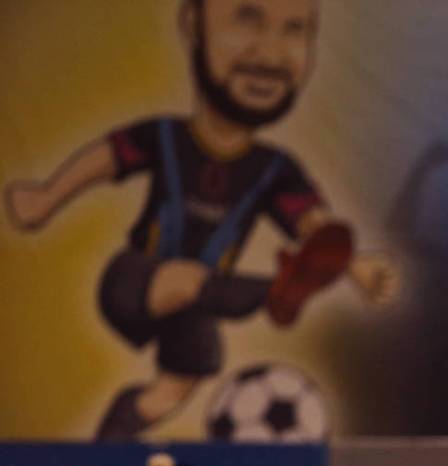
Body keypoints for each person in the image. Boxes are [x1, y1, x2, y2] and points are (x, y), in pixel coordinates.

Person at [3, 0, 398, 440]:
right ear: (193, 24)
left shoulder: (274, 167)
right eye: (248, 20)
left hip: (201, 301)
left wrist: (352, 265)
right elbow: (107, 158)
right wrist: (46, 197)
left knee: (172, 389)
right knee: (186, 278)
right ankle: (277, 289)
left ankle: (111, 442)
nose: (270, 53)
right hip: (134, 279)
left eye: (294, 30)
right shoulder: (167, 136)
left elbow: (314, 224)